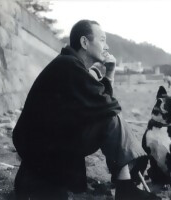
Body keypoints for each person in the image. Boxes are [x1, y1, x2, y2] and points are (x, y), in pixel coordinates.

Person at [12, 20, 160, 200]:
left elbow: (100, 104)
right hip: (41, 148)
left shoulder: (69, 63)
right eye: (103, 40)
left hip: (41, 144)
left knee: (109, 115)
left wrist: (109, 74)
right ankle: (125, 187)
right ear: (84, 43)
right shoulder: (69, 65)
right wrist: (109, 78)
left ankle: (125, 183)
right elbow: (108, 106)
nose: (107, 46)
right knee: (111, 118)